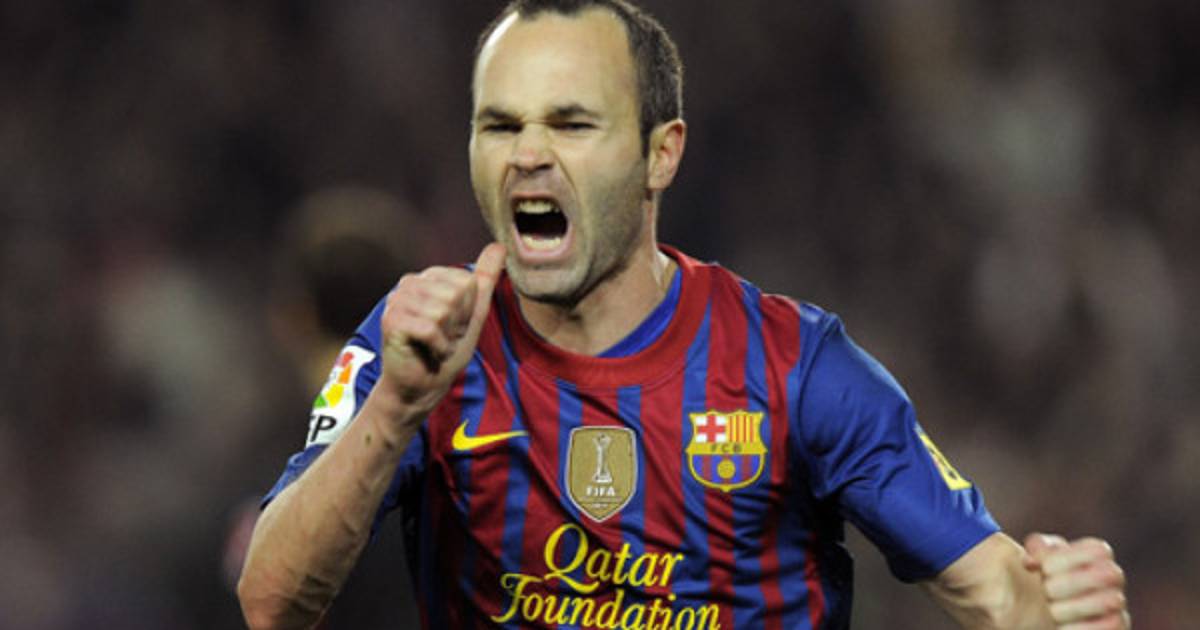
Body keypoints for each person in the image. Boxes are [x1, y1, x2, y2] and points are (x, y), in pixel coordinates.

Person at [237, 1, 1130, 628]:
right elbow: (271, 600)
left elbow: (998, 592)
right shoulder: (415, 349)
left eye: (572, 124)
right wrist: (394, 409)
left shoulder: (796, 367)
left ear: (661, 154)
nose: (528, 154)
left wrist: (1059, 609)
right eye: (500, 126)